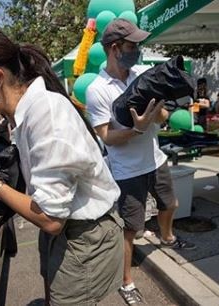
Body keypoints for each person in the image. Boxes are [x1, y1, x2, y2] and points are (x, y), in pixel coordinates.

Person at [0, 24, 124, 305]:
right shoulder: (24, 116)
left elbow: (50, 219)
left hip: (83, 235)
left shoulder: (46, 114)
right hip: (68, 230)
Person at [86, 19, 196, 305]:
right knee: (131, 228)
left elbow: (162, 118)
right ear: (114, 48)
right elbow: (107, 137)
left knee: (170, 204)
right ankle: (126, 281)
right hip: (128, 170)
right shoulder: (98, 89)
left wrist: (158, 113)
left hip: (155, 159)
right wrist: (136, 129)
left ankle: (168, 238)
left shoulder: (144, 74)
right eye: (132, 45)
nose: (137, 49)